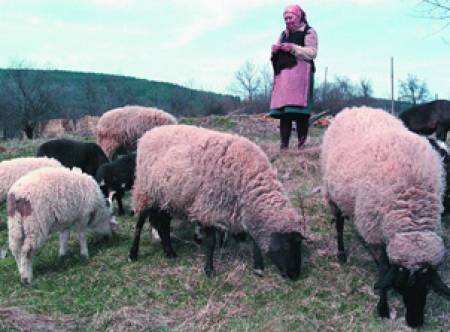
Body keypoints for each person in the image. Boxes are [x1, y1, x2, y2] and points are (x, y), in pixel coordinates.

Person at [269, 4, 318, 150]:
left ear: (298, 16)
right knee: (285, 114)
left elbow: (312, 52)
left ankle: (301, 146)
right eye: (285, 18)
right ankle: (284, 146)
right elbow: (276, 51)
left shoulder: (309, 32)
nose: (288, 21)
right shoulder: (283, 34)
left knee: (300, 114)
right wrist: (275, 51)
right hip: (285, 78)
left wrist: (293, 48)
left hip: (301, 77)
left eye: (290, 17)